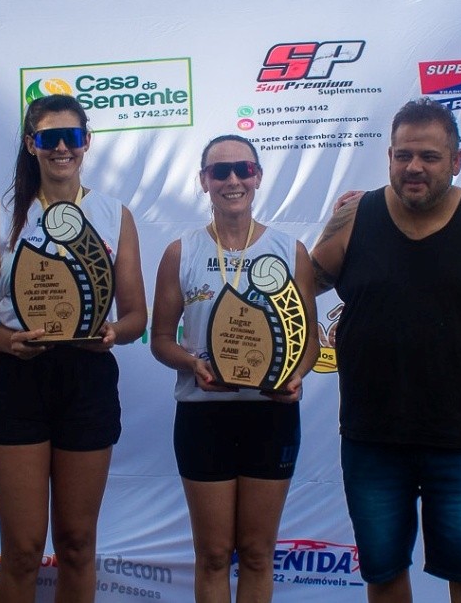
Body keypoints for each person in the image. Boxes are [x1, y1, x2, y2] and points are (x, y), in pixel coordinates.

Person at [310, 98, 461, 603]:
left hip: (460, 436)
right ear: (388, 156)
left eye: (429, 156)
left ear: (456, 160)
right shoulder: (355, 217)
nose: (414, 167)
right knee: (382, 574)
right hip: (371, 436)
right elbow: (304, 283)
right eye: (404, 155)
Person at [0, 94, 147, 602]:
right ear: (30, 144)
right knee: (21, 548)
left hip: (86, 376)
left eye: (71, 137)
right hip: (17, 375)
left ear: (86, 143)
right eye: (48, 137)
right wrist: (7, 341)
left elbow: (136, 317)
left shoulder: (114, 215)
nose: (61, 147)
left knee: (78, 543)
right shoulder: (2, 215)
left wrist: (113, 333)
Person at [150, 134, 319, 603]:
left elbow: (309, 340)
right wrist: (190, 362)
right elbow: (161, 340)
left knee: (258, 553)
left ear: (257, 177)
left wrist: (297, 376)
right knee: (213, 554)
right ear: (204, 181)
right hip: (205, 416)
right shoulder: (179, 253)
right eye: (220, 171)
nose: (232, 180)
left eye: (243, 169)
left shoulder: (290, 250)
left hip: (271, 414)